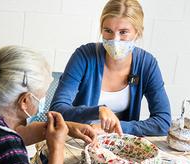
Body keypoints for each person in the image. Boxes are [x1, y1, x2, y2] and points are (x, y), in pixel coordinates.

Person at [0, 46, 96, 164]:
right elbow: (6, 145)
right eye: (41, 96)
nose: (43, 100)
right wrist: (56, 148)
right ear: (25, 101)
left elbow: (12, 135)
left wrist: (67, 128)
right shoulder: (8, 149)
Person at [50, 0, 171, 136]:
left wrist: (115, 128)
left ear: (137, 32)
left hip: (119, 145)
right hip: (79, 140)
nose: (115, 39)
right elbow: (57, 110)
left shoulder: (147, 64)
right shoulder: (83, 56)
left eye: (123, 32)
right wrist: (97, 110)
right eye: (108, 31)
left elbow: (163, 123)